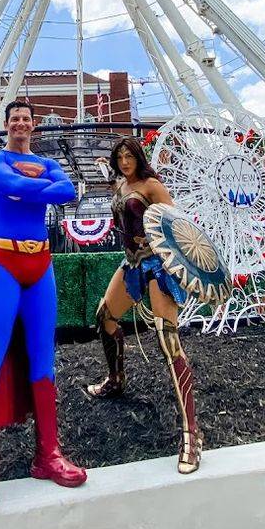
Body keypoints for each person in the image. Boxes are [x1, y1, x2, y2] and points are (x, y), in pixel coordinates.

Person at [0, 99, 86, 514]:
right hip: (2, 264)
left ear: (34, 127)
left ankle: (48, 455)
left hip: (40, 265)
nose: (22, 124)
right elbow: (24, 188)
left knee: (44, 359)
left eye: (27, 119)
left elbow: (69, 191)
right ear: (6, 125)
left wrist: (29, 179)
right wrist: (34, 180)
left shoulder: (43, 162)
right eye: (15, 119)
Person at [87, 137, 203, 474]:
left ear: (139, 157)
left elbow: (177, 227)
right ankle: (116, 378)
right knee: (105, 316)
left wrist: (176, 268)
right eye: (119, 156)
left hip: (157, 265)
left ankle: (191, 434)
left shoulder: (152, 186)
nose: (124, 161)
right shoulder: (122, 185)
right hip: (131, 262)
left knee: (169, 342)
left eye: (129, 155)